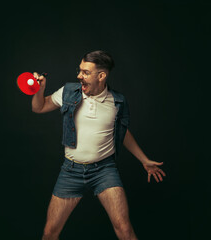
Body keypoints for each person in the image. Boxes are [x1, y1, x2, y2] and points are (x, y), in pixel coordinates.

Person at [31, 50, 166, 240]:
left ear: (101, 76)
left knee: (124, 229)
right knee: (50, 233)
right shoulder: (68, 91)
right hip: (70, 171)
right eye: (79, 70)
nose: (79, 76)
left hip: (104, 170)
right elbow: (39, 107)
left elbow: (122, 132)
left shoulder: (117, 102)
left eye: (85, 72)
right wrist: (39, 90)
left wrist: (144, 160)